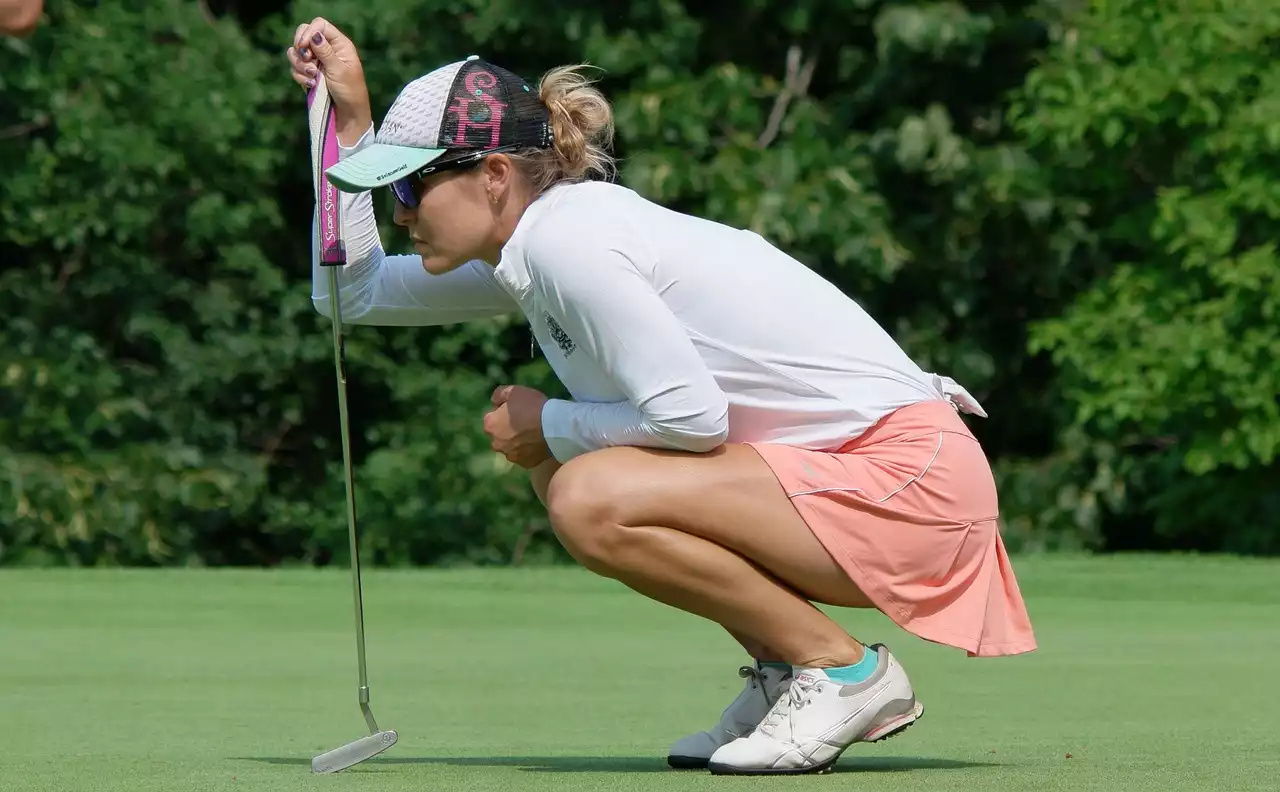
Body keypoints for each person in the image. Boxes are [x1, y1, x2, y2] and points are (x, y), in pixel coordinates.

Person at [288, 17, 1037, 776]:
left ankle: (841, 671)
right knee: (571, 474)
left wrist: (546, 420)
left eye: (413, 184)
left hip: (910, 484)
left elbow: (691, 420)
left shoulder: (566, 242)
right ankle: (788, 673)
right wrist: (349, 123)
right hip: (862, 480)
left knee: (587, 492)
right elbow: (349, 293)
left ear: (494, 177)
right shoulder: (542, 241)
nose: (403, 210)